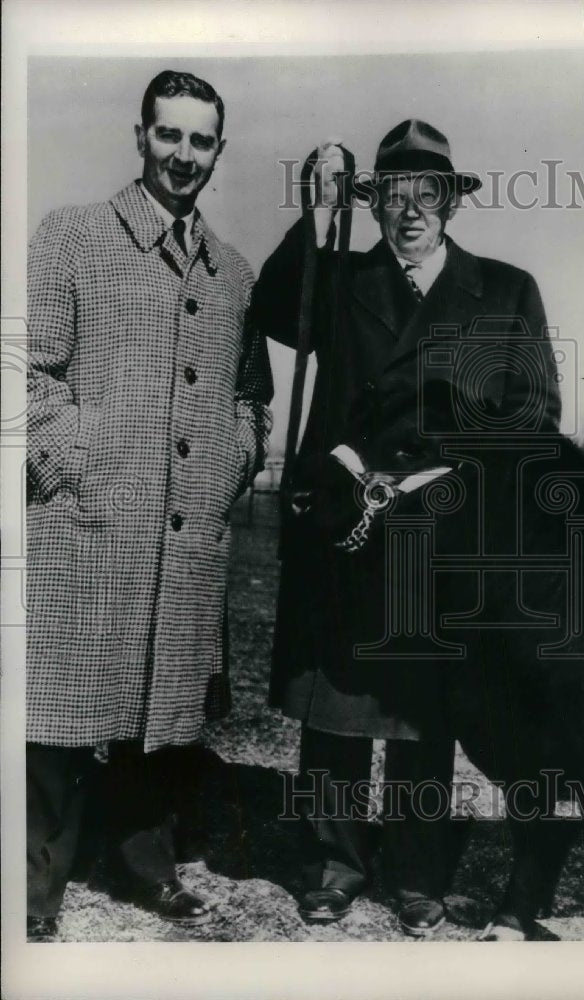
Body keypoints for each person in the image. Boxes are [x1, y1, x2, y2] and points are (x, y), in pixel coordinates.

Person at [251, 119, 561, 936]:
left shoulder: (505, 291)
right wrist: (316, 213)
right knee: (338, 707)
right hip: (346, 524)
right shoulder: (340, 279)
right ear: (375, 204)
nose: (412, 210)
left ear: (451, 204)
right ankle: (333, 865)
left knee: (427, 712)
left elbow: (533, 416)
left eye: (429, 194)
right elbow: (275, 307)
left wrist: (458, 480)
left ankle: (417, 874)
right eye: (394, 195)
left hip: (442, 536)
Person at [25, 69, 273, 940]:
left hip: (185, 535)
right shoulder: (72, 236)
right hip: (83, 523)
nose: (183, 154)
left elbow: (251, 397)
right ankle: (34, 887)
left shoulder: (233, 272)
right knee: (57, 713)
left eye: (200, 140)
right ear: (141, 137)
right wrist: (74, 463)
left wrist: (231, 463)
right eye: (169, 134)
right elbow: (26, 371)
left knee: (157, 712)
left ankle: (144, 866)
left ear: (218, 150)